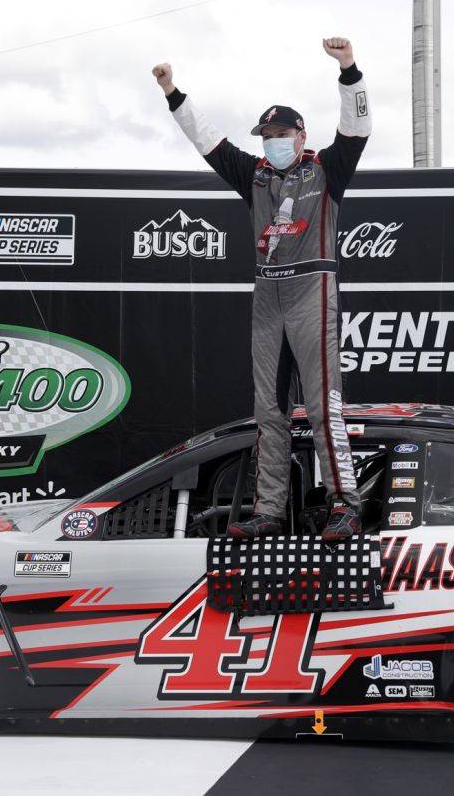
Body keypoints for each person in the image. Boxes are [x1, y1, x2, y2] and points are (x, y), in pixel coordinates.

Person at [152, 37, 371, 541]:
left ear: (300, 135)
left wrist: (348, 69)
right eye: (266, 133)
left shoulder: (327, 170)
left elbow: (357, 128)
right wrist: (172, 92)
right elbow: (209, 142)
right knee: (268, 412)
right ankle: (269, 510)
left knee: (322, 405)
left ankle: (346, 504)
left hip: (312, 293)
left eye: (280, 133)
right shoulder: (253, 175)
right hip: (267, 298)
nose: (272, 140)